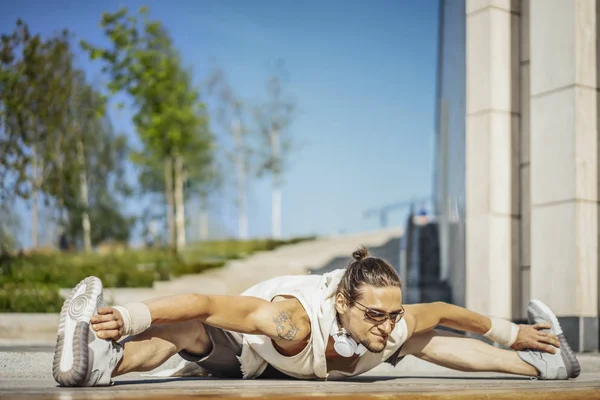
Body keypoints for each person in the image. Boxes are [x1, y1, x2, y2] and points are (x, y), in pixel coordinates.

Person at [52, 246, 580, 387]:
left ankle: (545, 364)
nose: (386, 324)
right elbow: (209, 304)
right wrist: (129, 314)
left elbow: (444, 314)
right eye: (374, 314)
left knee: (424, 338)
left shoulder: (388, 322)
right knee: (189, 333)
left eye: (392, 314)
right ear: (343, 305)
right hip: (247, 355)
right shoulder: (293, 320)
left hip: (296, 359)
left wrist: (514, 335)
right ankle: (98, 361)